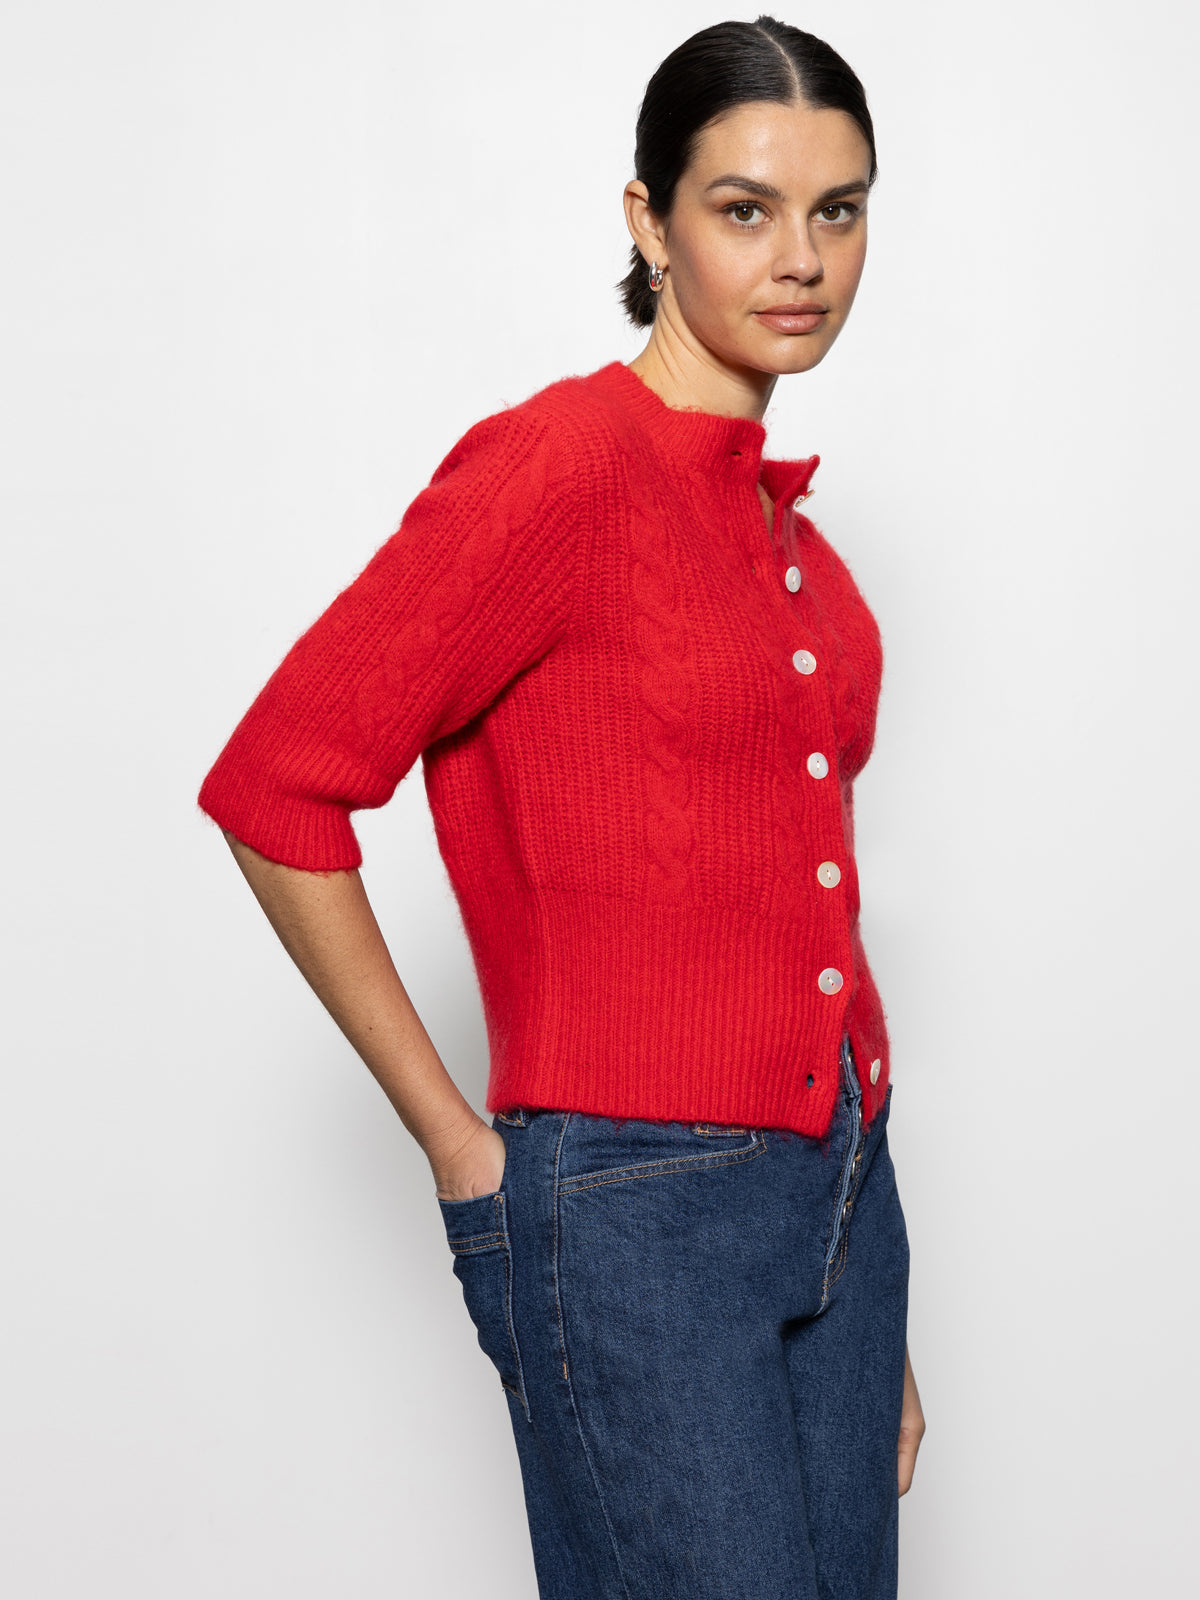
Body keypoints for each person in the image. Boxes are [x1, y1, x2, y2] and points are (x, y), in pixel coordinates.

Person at [197, 15, 925, 1598]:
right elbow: (276, 788)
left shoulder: (799, 553)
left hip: (843, 1204)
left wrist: (864, 1285)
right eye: (743, 208)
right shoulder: (562, 471)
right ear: (648, 222)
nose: (801, 258)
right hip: (630, 1218)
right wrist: (465, 1151)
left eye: (840, 209)